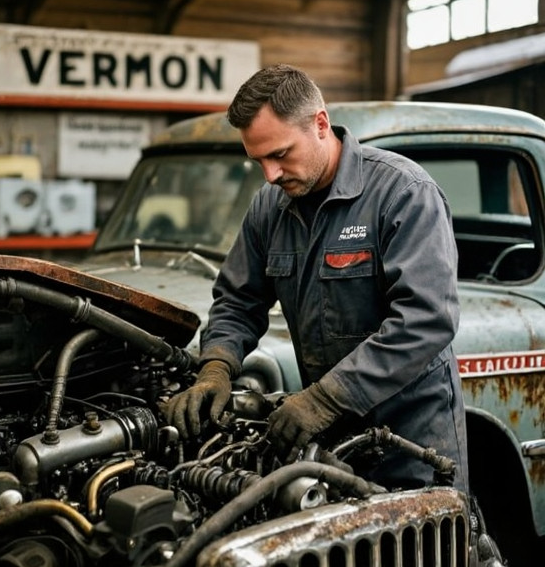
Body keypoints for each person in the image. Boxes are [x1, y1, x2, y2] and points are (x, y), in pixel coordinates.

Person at [165, 63, 469, 493]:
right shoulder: (269, 207)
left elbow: (427, 318)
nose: (270, 174)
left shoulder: (403, 193)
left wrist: (325, 399)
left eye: (280, 154)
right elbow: (238, 300)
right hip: (330, 437)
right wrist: (216, 367)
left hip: (413, 439)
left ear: (320, 124)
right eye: (259, 161)